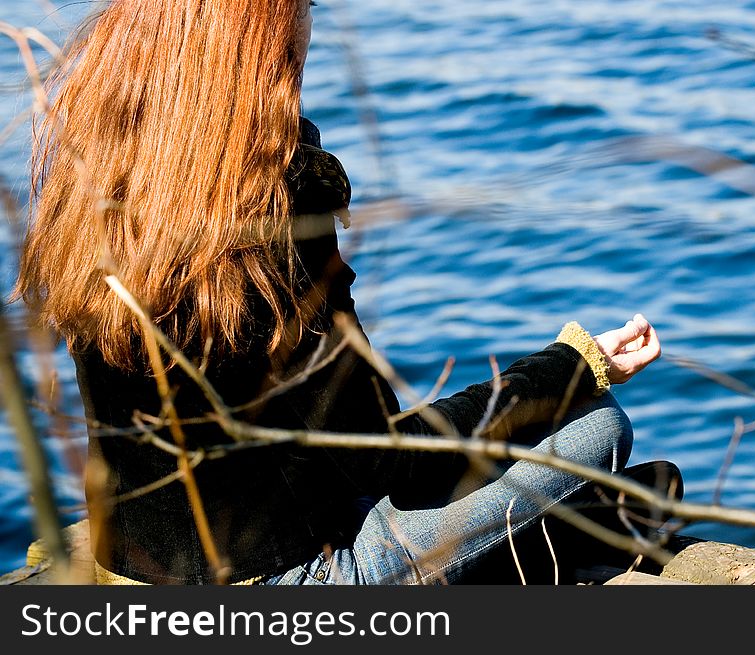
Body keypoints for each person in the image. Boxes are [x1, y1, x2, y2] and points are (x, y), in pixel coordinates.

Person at [13, 0, 672, 585]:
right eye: (291, 60)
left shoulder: (91, 172)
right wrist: (576, 364)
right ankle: (563, 530)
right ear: (255, 64)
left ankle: (568, 525)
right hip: (294, 579)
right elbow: (396, 463)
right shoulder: (276, 199)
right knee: (598, 430)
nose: (296, 80)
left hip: (130, 560)